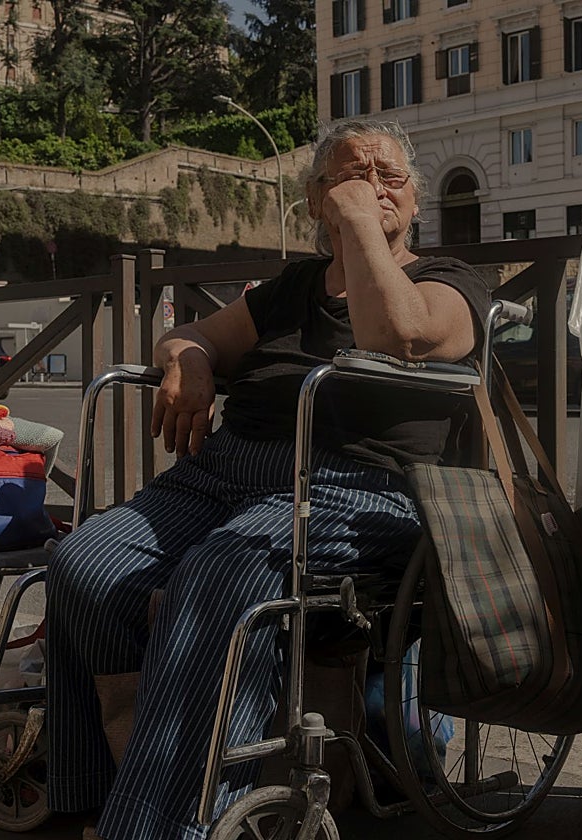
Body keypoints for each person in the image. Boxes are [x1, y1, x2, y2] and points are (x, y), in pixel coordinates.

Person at [45, 118, 491, 840]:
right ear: (315, 200)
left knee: (219, 573)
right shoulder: (291, 289)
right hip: (228, 471)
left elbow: (400, 336)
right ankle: (100, 787)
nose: (374, 189)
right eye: (352, 177)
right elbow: (193, 335)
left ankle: (160, 827)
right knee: (83, 566)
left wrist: (360, 231)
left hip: (355, 489)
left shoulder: (447, 281)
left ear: (413, 205)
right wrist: (186, 361)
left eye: (391, 178)